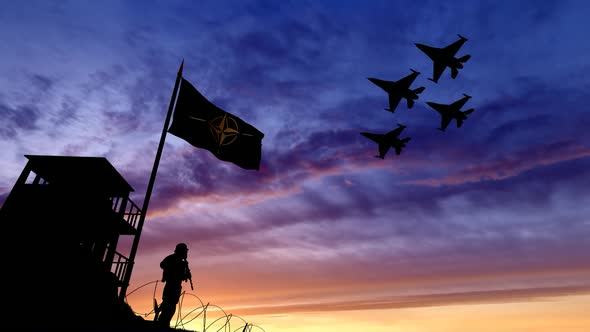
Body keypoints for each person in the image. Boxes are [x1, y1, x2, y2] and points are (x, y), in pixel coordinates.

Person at [156, 242, 192, 327]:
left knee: (172, 305)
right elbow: (162, 265)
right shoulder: (172, 258)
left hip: (177, 286)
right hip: (170, 285)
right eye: (184, 251)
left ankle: (165, 322)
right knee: (168, 303)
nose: (186, 253)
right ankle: (161, 322)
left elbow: (185, 273)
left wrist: (187, 275)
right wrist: (172, 270)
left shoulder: (183, 261)